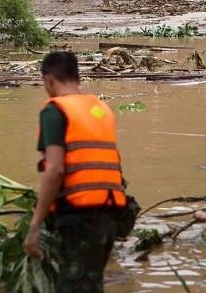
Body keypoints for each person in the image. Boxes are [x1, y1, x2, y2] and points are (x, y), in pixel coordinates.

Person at [24, 51, 130, 292]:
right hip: (110, 213)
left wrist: (35, 224)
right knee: (91, 283)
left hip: (79, 215)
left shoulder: (55, 111)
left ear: (49, 79)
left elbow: (54, 169)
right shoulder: (101, 109)